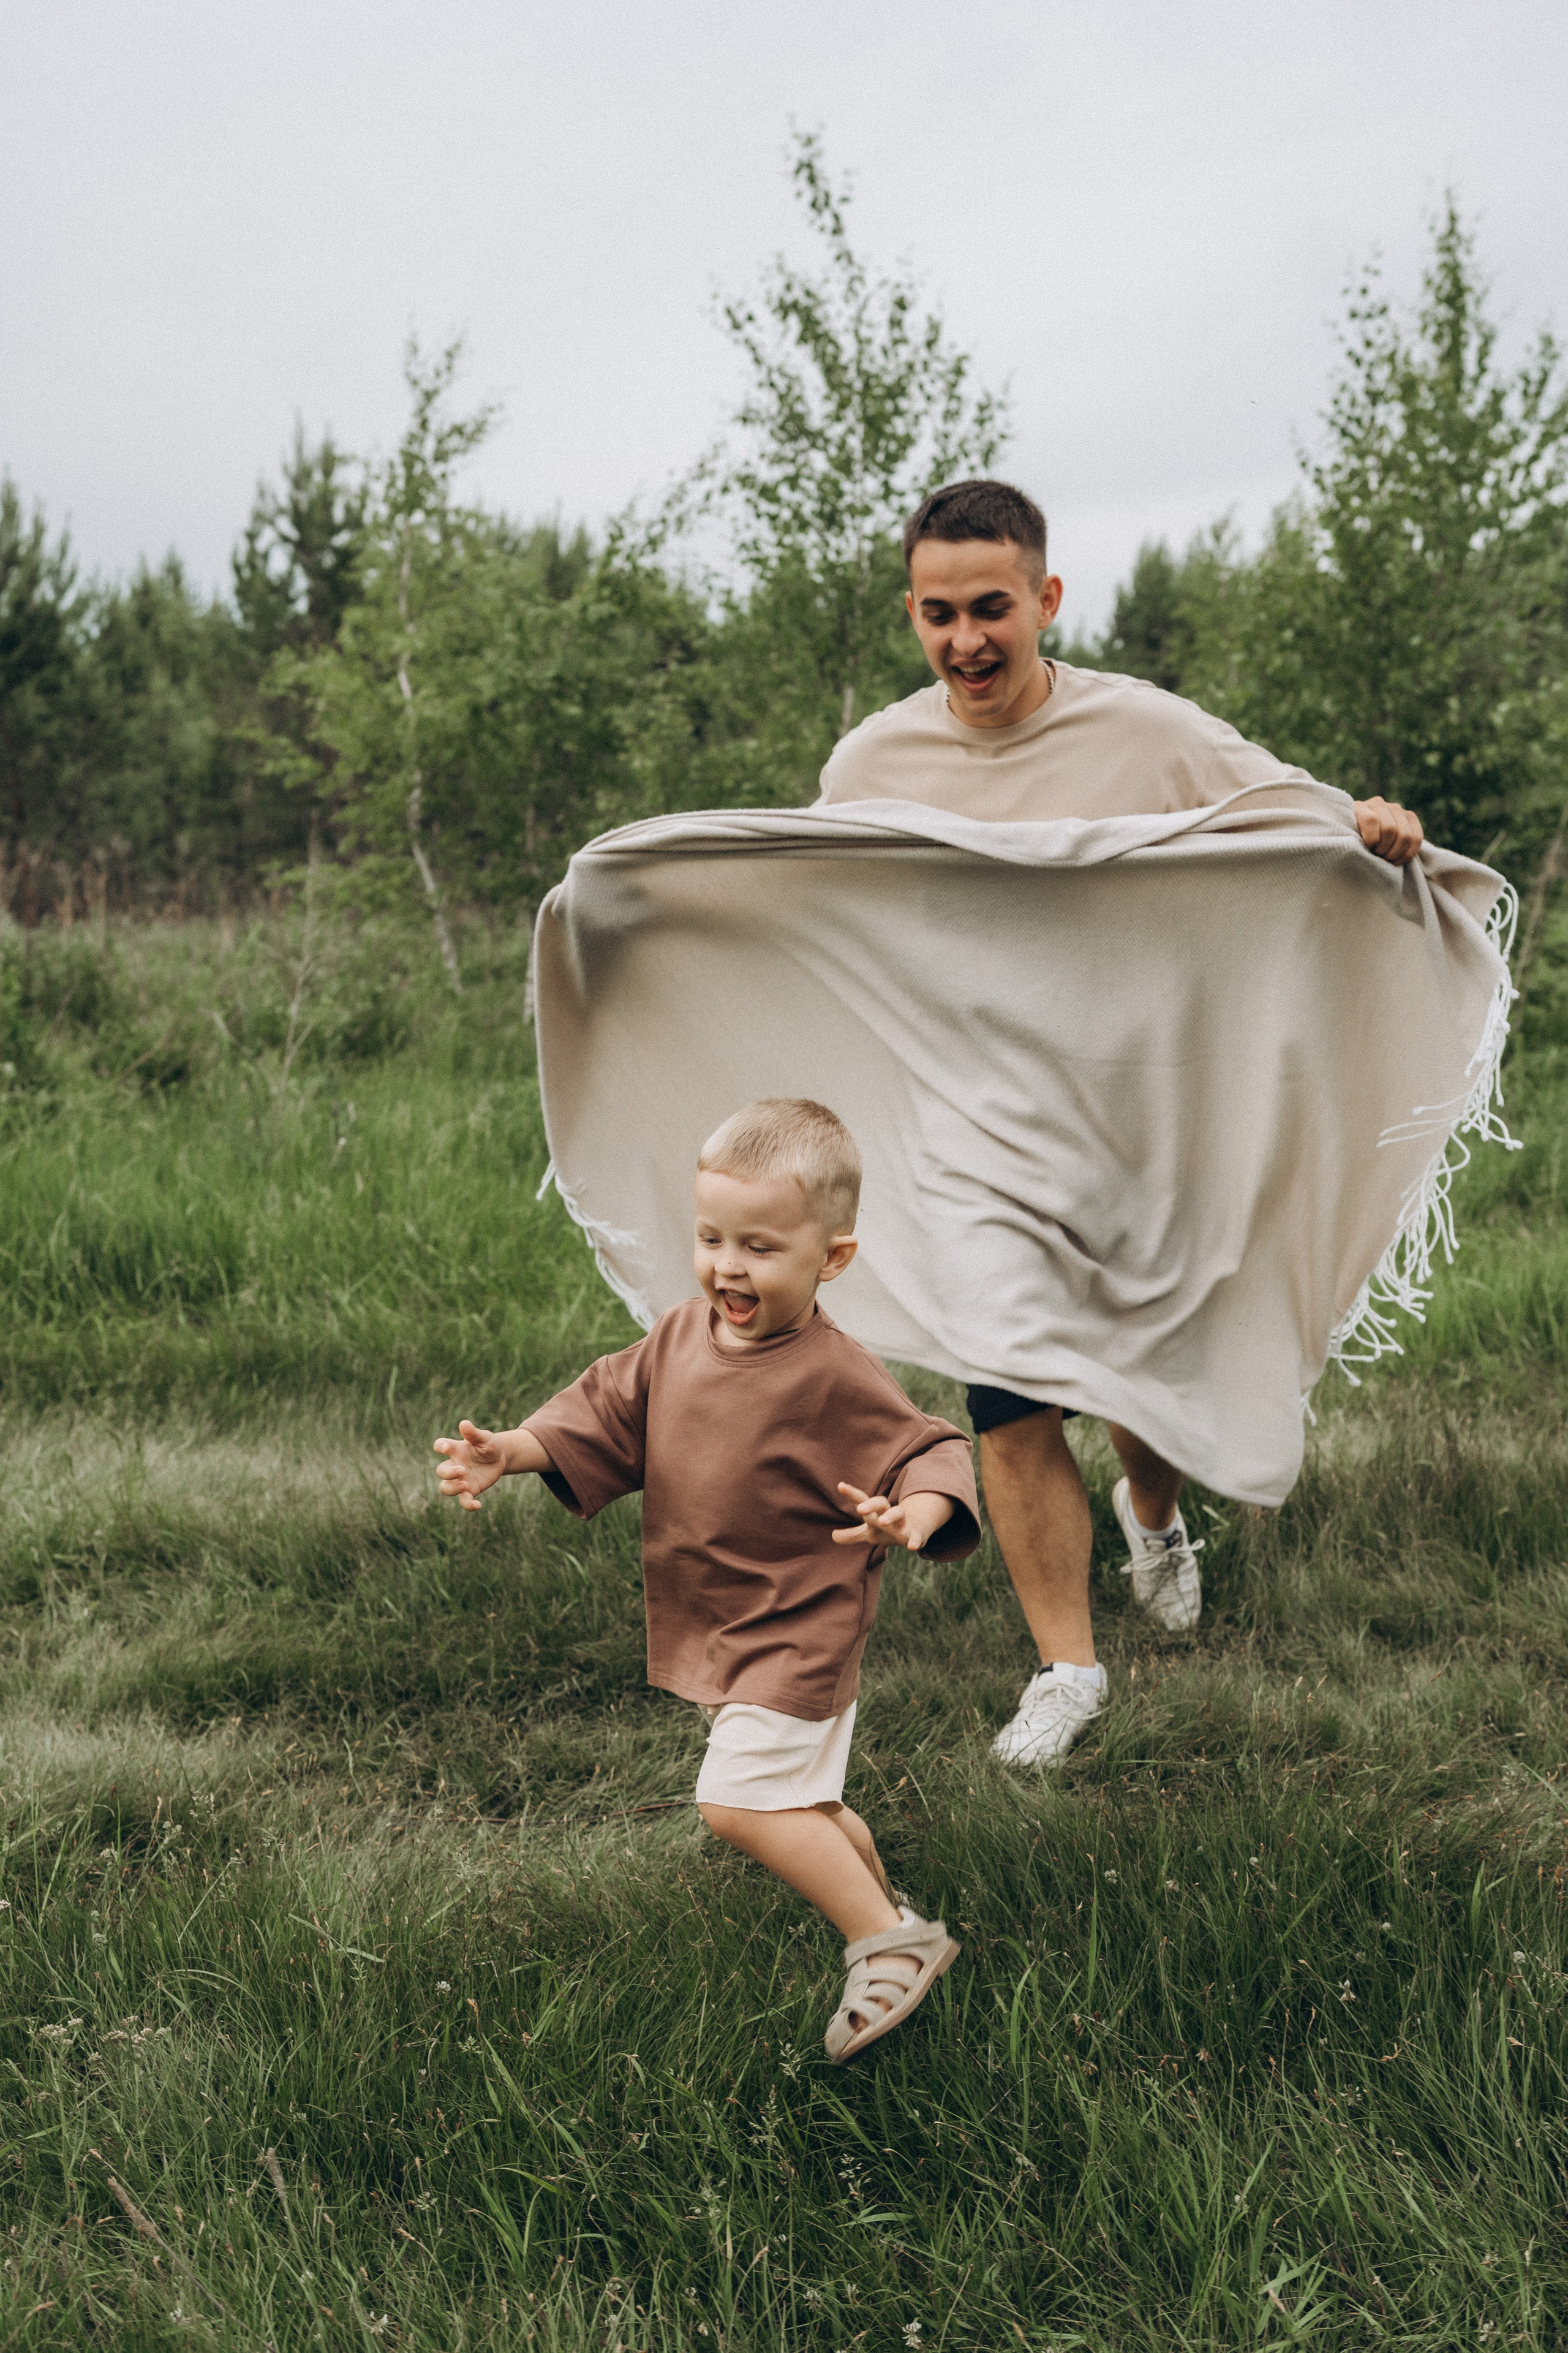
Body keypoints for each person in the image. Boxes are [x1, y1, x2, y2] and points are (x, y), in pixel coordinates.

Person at [816, 478, 1427, 1772]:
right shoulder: (871, 765)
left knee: (1136, 1369)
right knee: (1006, 1381)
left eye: (991, 608)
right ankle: (1067, 1669)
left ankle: (1151, 1511)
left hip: (1138, 1117)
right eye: (938, 614)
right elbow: (808, 906)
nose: (966, 640)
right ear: (910, 613)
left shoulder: (1143, 729)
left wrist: (1366, 826)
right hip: (974, 1129)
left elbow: (1288, 808)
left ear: (1045, 598)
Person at [432, 1097, 981, 2063]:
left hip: (799, 1626)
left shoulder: (833, 1374)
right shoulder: (679, 1339)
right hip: (730, 1620)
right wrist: (513, 1450)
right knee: (805, 1800)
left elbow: (931, 1450)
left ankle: (890, 1943)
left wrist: (916, 1514)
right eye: (712, 1238)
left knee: (738, 1799)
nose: (729, 1266)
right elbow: (604, 1414)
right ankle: (888, 1905)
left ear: (833, 1258)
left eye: (761, 1247)